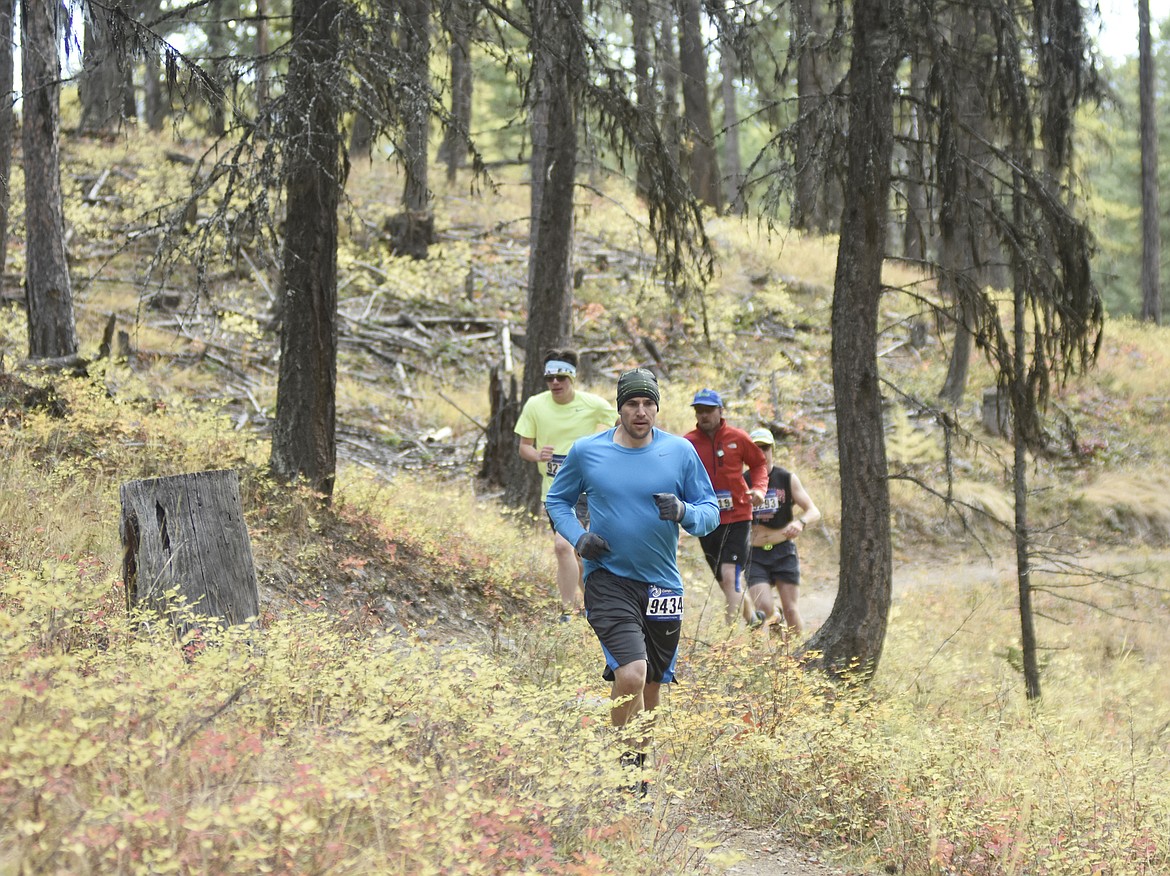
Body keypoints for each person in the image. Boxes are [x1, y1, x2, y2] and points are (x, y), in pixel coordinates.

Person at [545, 368, 718, 787]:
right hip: (609, 578)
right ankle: (622, 767)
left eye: (648, 404)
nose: (640, 412)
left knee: (655, 688)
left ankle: (637, 763)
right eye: (632, 404)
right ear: (619, 408)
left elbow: (710, 510)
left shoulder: (679, 452)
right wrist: (578, 536)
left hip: (664, 586)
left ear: (657, 407)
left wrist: (684, 512)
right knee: (631, 675)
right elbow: (558, 500)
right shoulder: (587, 451)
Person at [515, 349, 618, 620]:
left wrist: (604, 451)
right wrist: (537, 455)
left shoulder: (592, 404)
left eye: (561, 377)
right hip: (554, 492)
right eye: (550, 378)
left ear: (572, 377)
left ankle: (566, 612)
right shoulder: (535, 405)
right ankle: (594, 606)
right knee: (575, 550)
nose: (555, 384)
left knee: (564, 546)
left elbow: (625, 425)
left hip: (586, 490)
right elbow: (523, 447)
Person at [683, 389, 769, 624]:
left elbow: (759, 464)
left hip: (739, 516)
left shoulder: (738, 437)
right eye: (699, 410)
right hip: (707, 519)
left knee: (730, 576)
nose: (704, 415)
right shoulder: (687, 443)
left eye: (709, 410)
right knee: (725, 582)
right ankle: (753, 620)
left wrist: (760, 489)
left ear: (720, 411)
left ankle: (727, 640)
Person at [744, 427, 821, 638]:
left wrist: (801, 522)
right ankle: (776, 624)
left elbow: (813, 510)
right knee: (765, 607)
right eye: (756, 448)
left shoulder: (786, 478)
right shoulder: (742, 481)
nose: (761, 452)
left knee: (791, 608)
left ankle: (796, 654)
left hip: (783, 551)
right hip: (755, 554)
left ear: (772, 450)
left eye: (765, 448)